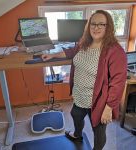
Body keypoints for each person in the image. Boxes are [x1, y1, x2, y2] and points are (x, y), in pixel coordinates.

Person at [42, 10, 127, 150]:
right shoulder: (85, 43)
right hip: (80, 96)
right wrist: (53, 55)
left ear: (108, 27)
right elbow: (72, 51)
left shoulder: (115, 51)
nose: (96, 27)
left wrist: (109, 108)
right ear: (89, 26)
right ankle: (77, 134)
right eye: (93, 24)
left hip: (98, 101)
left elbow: (118, 83)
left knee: (98, 131)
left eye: (101, 24)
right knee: (75, 114)